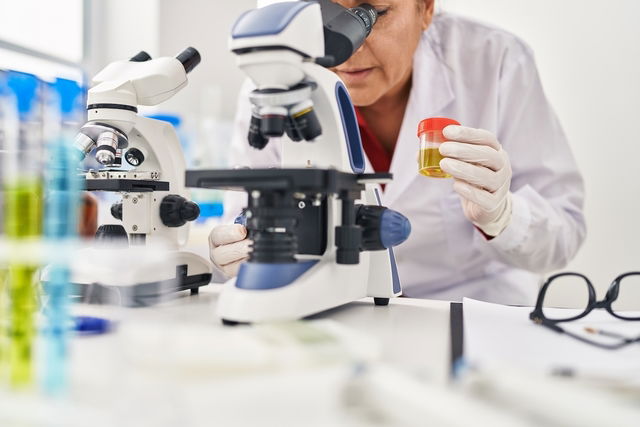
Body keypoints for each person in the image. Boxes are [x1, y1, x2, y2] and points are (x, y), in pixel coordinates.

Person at [208, 0, 586, 305]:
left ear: (425, 9)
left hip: (473, 308)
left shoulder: (496, 60)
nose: (345, 46)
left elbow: (563, 237)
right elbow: (241, 222)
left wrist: (503, 217)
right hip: (343, 308)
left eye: (369, 13)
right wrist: (238, 246)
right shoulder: (278, 84)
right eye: (325, 12)